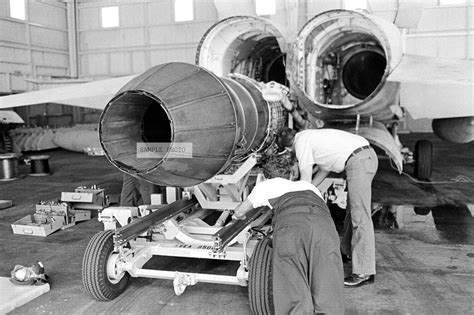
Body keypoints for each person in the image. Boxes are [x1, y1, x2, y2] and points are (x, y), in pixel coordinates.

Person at [232, 152, 345, 314]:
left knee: (293, 282)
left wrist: (236, 216)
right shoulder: (308, 186)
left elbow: (240, 211)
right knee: (327, 278)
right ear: (290, 175)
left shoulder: (264, 186)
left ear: (265, 176)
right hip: (323, 225)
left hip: (292, 226)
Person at [276, 127, 378, 287]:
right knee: (352, 213)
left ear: (289, 148)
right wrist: (311, 189)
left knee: (360, 217)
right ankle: (347, 252)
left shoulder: (301, 144)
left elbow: (306, 178)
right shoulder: (308, 136)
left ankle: (364, 272)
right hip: (362, 156)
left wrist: (292, 194)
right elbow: (324, 170)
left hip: (359, 160)